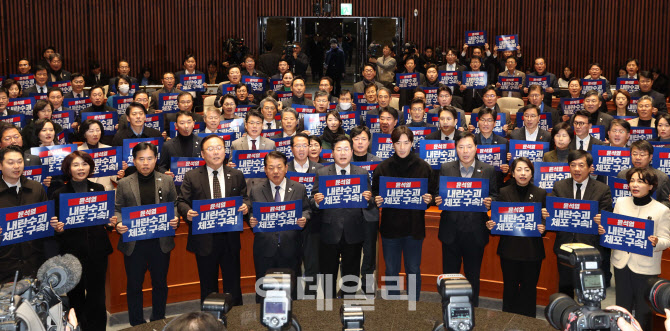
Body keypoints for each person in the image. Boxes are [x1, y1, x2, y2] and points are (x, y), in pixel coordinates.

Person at [177, 134, 249, 305]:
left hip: (229, 238)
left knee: (233, 283)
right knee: (208, 285)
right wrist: (187, 212)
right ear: (202, 154)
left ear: (225, 151)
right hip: (204, 240)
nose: (216, 152)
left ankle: (235, 318)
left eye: (219, 148)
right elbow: (181, 201)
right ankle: (210, 322)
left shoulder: (236, 174)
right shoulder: (191, 176)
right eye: (210, 149)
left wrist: (246, 206)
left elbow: (245, 197)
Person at [112, 142, 179, 326]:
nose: (145, 163)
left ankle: (158, 319)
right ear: (134, 161)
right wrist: (118, 223)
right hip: (134, 243)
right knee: (134, 286)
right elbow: (118, 209)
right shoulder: (125, 183)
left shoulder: (166, 180)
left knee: (160, 284)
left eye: (150, 158)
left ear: (156, 159)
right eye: (141, 159)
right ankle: (137, 323)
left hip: (160, 241)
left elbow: (174, 204)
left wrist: (176, 219)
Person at [597, 168, 670, 331]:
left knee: (644, 310)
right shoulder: (621, 203)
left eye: (641, 182)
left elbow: (666, 240)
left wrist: (656, 241)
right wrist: (605, 231)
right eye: (632, 181)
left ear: (651, 186)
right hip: (621, 263)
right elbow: (614, 229)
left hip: (646, 267)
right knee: (622, 307)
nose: (634, 185)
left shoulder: (662, 210)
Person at [49, 151, 113, 330]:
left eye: (84, 164)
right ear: (68, 169)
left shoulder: (98, 189)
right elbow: (55, 228)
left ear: (90, 167)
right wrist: (58, 229)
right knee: (76, 295)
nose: (80, 168)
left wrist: (109, 222)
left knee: (98, 296)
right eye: (75, 165)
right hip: (72, 254)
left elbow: (104, 220)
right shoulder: (59, 194)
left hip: (97, 251)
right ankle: (80, 327)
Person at [372, 126, 435, 300]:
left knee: (413, 269)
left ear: (412, 143)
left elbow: (433, 194)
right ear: (392, 144)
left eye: (406, 143)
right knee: (391, 270)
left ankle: (414, 307)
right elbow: (374, 193)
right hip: (390, 229)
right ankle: (393, 309)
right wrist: (376, 200)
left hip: (414, 229)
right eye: (398, 143)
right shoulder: (383, 168)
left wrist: (429, 199)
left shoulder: (424, 167)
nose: (402, 147)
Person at [435, 131, 497, 306]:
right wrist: (437, 198)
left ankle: (472, 311)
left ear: (476, 148)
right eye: (461, 147)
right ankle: (448, 309)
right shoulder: (447, 168)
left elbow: (495, 195)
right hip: (450, 232)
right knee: (449, 277)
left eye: (469, 146)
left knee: (472, 277)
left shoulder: (488, 170)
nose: (465, 151)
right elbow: (437, 194)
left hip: (475, 233)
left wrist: (490, 201)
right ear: (455, 149)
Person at [312, 136, 377, 298]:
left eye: (346, 149)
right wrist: (317, 201)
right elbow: (312, 201)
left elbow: (369, 204)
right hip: (329, 231)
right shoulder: (321, 172)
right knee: (328, 273)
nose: (342, 153)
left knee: (351, 274)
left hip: (353, 231)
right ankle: (329, 306)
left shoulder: (362, 173)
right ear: (332, 152)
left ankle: (348, 305)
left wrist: (369, 199)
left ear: (352, 151)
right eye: (338, 149)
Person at [542, 149, 612, 296]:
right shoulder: (559, 186)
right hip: (565, 246)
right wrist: (546, 214)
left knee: (591, 292)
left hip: (590, 248)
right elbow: (551, 213)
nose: (577, 169)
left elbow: (607, 218)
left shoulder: (602, 189)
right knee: (565, 290)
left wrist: (602, 220)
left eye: (581, 165)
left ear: (590, 168)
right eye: (573, 165)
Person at [485, 157, 546, 317]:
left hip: (532, 251)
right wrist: (491, 225)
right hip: (510, 250)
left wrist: (543, 226)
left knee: (529, 289)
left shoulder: (540, 193)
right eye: (519, 169)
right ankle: (507, 319)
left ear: (532, 173)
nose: (523, 173)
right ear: (512, 173)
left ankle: (528, 321)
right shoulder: (504, 192)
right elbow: (497, 219)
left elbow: (545, 219)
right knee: (510, 288)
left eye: (527, 170)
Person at [248, 151, 310, 302]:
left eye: (279, 167)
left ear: (286, 168)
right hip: (265, 248)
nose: (275, 171)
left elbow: (307, 209)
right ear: (265, 169)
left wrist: (304, 218)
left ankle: (293, 319)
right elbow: (250, 211)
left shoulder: (298, 188)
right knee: (264, 290)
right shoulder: (256, 189)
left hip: (291, 247)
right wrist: (250, 219)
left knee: (292, 289)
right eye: (271, 167)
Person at [0, 145, 59, 283]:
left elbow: (46, 224)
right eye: (10, 162)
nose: (16, 166)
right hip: (4, 265)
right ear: (1, 166)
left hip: (34, 262)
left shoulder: (36, 188)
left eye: (20, 161)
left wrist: (54, 225)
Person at [617, 140, 670, 207]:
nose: (638, 158)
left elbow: (666, 201)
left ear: (650, 157)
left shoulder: (661, 177)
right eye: (634, 154)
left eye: (642, 155)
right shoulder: (622, 175)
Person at [77, 119, 123, 191]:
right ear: (84, 134)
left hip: (106, 191)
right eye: (91, 131)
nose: (95, 134)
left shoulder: (109, 149)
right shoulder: (77, 152)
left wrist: (119, 175)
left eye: (98, 130)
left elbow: (113, 175)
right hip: (86, 192)